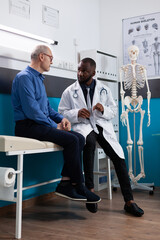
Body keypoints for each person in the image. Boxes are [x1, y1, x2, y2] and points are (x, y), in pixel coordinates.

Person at [11, 46, 100, 208]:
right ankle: (79, 185)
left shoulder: (38, 78)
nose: (52, 61)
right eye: (51, 57)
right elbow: (32, 111)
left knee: (79, 138)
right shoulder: (24, 77)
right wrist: (55, 126)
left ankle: (65, 183)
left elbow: (47, 109)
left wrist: (63, 119)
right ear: (42, 57)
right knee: (72, 141)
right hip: (27, 126)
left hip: (38, 124)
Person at [58, 57, 144, 216]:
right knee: (88, 143)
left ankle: (129, 201)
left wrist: (103, 109)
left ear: (93, 72)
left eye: (84, 71)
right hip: (83, 126)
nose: (80, 73)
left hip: (102, 127)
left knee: (118, 157)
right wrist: (76, 114)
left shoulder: (104, 89)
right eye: (79, 69)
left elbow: (113, 110)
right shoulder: (70, 91)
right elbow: (62, 113)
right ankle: (90, 192)